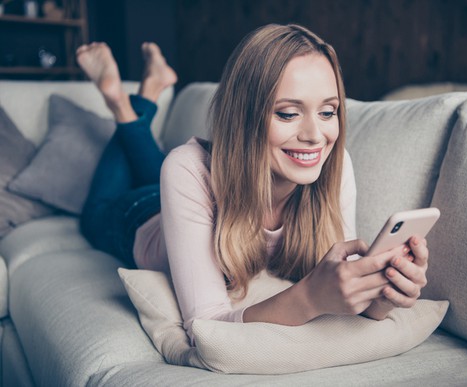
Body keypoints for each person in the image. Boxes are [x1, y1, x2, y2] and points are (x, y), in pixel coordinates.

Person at [78, 24, 429, 346]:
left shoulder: (334, 167)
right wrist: (308, 298)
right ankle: (122, 100)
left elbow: (343, 289)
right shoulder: (187, 169)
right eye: (288, 113)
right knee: (97, 210)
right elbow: (207, 326)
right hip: (138, 215)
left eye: (327, 112)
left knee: (157, 165)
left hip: (190, 189)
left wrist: (381, 298)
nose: (314, 136)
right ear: (245, 116)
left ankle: (150, 87)